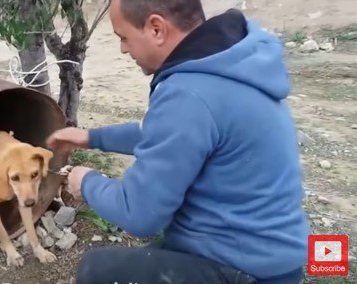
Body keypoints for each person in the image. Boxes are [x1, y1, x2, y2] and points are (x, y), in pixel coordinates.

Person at [45, 0, 310, 283]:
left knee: (97, 271)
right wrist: (90, 138)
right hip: (274, 251)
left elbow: (139, 214)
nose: (123, 49)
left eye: (124, 37)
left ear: (156, 28)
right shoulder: (226, 64)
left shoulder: (188, 93)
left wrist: (85, 181)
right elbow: (166, 134)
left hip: (246, 267)